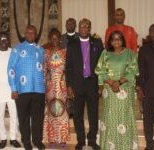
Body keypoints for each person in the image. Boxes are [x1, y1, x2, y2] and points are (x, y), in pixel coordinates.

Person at [95, 30, 138, 150]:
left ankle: (124, 146)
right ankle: (109, 145)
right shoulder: (105, 53)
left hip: (124, 90)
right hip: (109, 91)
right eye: (114, 39)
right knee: (109, 117)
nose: (116, 41)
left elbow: (132, 71)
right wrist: (111, 82)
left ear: (123, 40)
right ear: (110, 41)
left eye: (119, 38)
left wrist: (118, 83)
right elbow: (100, 70)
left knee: (124, 117)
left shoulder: (129, 53)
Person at [66, 18, 103, 150]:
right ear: (79, 28)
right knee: (77, 114)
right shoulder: (72, 44)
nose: (84, 28)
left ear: (89, 28)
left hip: (92, 83)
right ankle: (81, 140)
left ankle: (92, 140)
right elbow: (68, 67)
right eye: (82, 26)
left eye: (86, 26)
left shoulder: (97, 43)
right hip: (77, 85)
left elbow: (102, 65)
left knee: (93, 113)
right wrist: (69, 86)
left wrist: (101, 84)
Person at [7, 25, 45, 150]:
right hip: (22, 91)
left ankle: (37, 141)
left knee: (38, 118)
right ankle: (26, 142)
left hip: (39, 90)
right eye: (28, 32)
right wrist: (13, 88)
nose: (30, 35)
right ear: (25, 33)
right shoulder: (17, 49)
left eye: (33, 33)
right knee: (23, 118)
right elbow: (11, 69)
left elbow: (45, 69)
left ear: (36, 34)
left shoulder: (40, 50)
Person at [43, 28, 69, 146]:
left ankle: (63, 138)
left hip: (62, 85)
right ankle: (52, 138)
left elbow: (69, 70)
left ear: (60, 39)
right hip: (50, 86)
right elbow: (44, 70)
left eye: (57, 38)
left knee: (63, 110)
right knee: (51, 111)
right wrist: (43, 86)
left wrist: (69, 86)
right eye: (52, 38)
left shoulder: (65, 52)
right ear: (50, 39)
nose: (55, 40)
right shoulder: (46, 53)